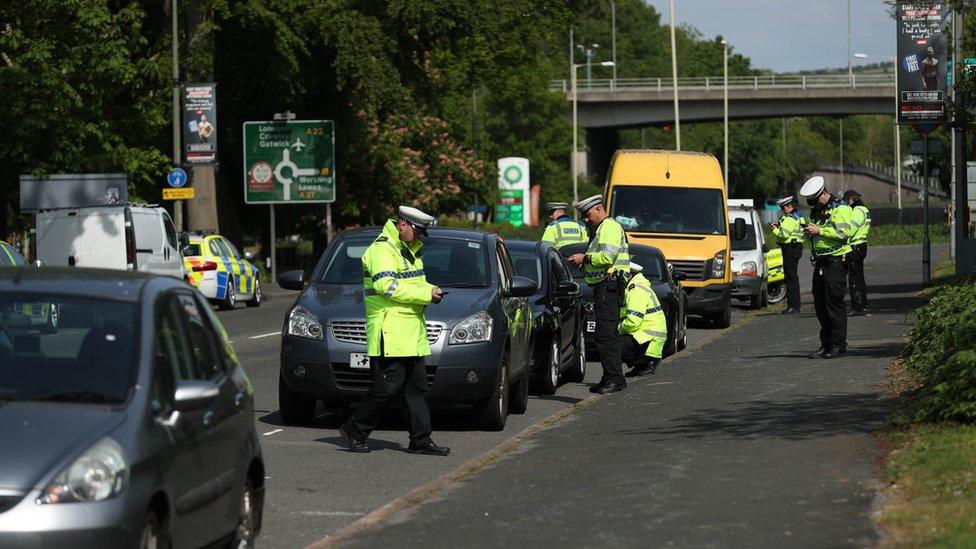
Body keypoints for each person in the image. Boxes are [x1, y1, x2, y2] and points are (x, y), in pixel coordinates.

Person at [339, 206, 450, 456]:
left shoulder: (409, 251)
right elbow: (386, 286)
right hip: (389, 331)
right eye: (417, 231)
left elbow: (415, 284)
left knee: (416, 389)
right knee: (385, 389)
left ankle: (421, 439)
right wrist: (425, 294)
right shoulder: (382, 249)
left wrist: (432, 289)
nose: (419, 237)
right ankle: (354, 430)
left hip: (410, 331)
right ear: (403, 225)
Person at [567, 195, 630, 394]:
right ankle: (609, 376)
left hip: (608, 287)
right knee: (606, 334)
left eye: (587, 214)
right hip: (605, 287)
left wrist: (584, 258)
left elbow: (606, 257)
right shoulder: (602, 229)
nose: (586, 219)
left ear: (598, 209)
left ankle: (615, 378)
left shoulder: (609, 227)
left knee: (605, 335)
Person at [799, 176, 854, 360]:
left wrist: (819, 231)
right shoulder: (817, 210)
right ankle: (826, 344)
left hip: (836, 261)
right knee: (820, 305)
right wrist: (808, 232)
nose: (814, 205)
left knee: (834, 304)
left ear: (823, 193)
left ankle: (839, 345)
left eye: (815, 201)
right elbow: (815, 234)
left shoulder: (841, 208)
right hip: (821, 262)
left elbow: (844, 233)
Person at [619, 261, 668, 378]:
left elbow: (632, 322)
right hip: (645, 336)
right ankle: (640, 364)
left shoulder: (636, 291)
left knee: (613, 346)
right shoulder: (635, 288)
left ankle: (647, 361)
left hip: (648, 338)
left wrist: (617, 329)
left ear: (629, 275)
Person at [770, 196, 806, 314]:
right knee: (792, 278)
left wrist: (774, 230)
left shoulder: (790, 218)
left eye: (782, 208)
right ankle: (794, 305)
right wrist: (780, 225)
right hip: (795, 247)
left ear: (787, 206)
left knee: (790, 278)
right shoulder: (798, 216)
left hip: (790, 249)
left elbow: (784, 235)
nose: (782, 211)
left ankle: (793, 306)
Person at [843, 189, 871, 316]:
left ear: (850, 199)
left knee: (854, 278)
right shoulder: (864, 210)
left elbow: (850, 230)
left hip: (855, 247)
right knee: (859, 276)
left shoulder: (857, 212)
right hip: (861, 246)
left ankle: (857, 307)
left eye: (845, 201)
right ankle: (862, 303)